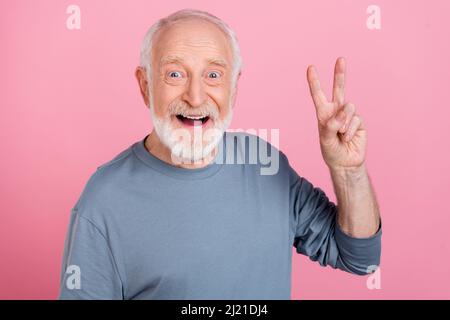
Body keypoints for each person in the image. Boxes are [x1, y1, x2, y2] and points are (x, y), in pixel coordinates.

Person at [59, 8, 382, 300]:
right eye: (175, 74)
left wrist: (348, 170)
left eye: (213, 75)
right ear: (145, 85)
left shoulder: (264, 162)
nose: (196, 96)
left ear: (234, 87)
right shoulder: (104, 199)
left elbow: (358, 259)